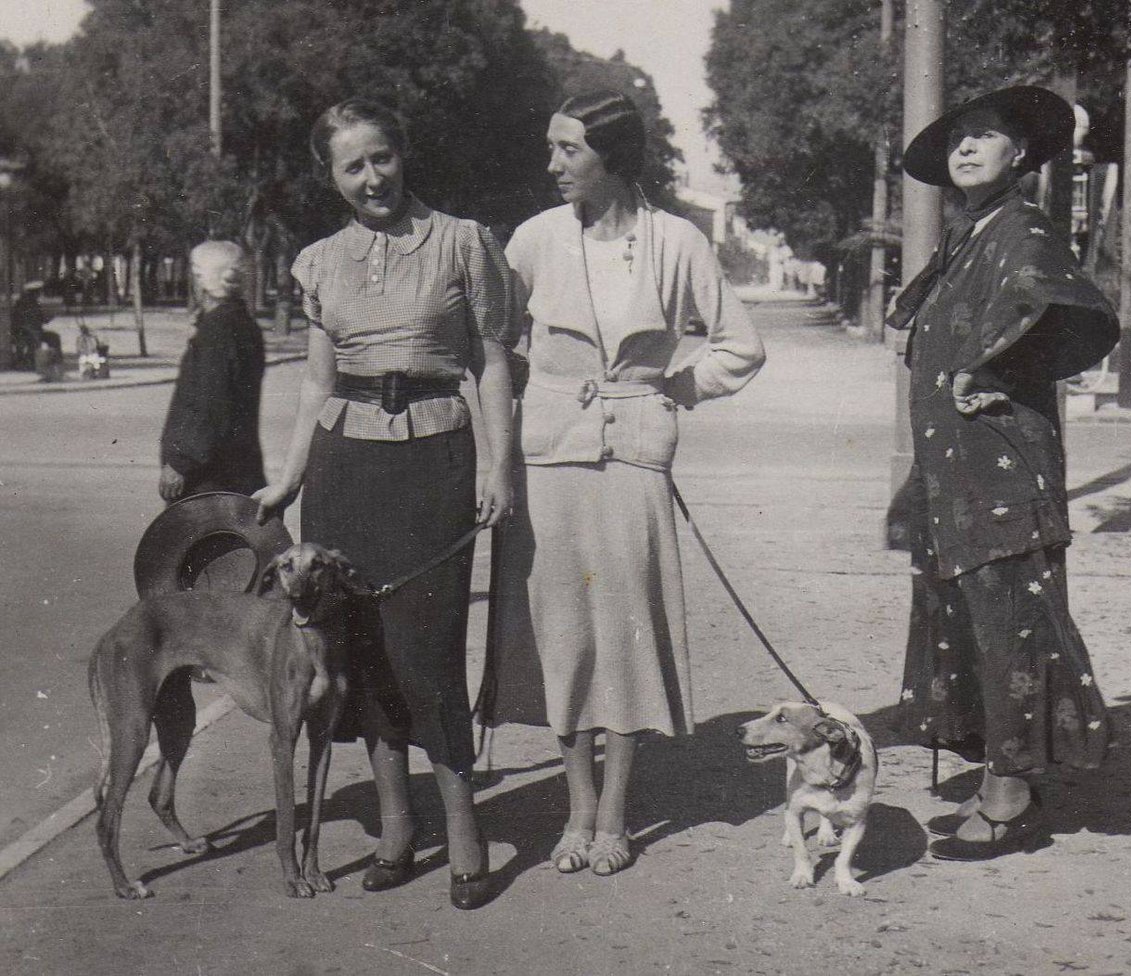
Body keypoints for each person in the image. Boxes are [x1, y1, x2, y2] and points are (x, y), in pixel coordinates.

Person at [486, 90, 765, 876]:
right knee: (562, 639)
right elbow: (495, 345)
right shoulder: (535, 239)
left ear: (612, 156)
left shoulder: (676, 242)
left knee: (627, 636)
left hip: (635, 459)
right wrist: (505, 429)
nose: (553, 164)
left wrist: (676, 389)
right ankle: (576, 805)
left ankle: (615, 813)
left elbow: (740, 347)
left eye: (568, 149)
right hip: (548, 461)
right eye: (552, 147)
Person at [253, 98, 516, 910]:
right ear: (332, 177)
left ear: (403, 155)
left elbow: (497, 362)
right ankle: (399, 829)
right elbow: (317, 382)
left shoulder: (465, 242)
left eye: (382, 158)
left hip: (436, 460)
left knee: (428, 646)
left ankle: (463, 832)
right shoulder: (320, 261)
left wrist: (498, 465)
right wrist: (292, 476)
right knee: (359, 651)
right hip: (345, 469)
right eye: (352, 166)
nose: (372, 178)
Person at [887, 86, 1120, 860]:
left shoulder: (1022, 228)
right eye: (957, 138)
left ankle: (1011, 797)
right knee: (978, 618)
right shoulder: (969, 231)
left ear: (1018, 153)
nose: (964, 148)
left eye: (983, 136)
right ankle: (1004, 770)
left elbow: (1063, 308)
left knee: (1008, 623)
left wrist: (998, 369)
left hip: (1000, 462)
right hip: (959, 467)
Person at [159, 241, 266, 503]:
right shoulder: (242, 324)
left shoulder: (217, 331)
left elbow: (210, 404)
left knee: (199, 542)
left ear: (201, 279)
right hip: (238, 469)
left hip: (208, 478)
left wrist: (181, 462)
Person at [12, 280, 60, 370]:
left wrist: (50, 317)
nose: (38, 295)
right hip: (23, 332)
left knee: (54, 337)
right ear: (31, 293)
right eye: (37, 292)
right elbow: (19, 321)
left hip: (36, 332)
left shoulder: (35, 303)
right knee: (33, 341)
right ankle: (30, 363)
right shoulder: (22, 304)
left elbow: (41, 319)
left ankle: (56, 362)